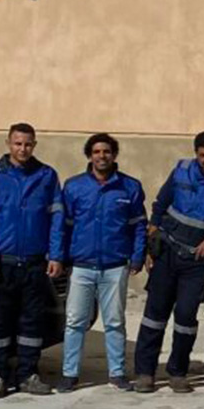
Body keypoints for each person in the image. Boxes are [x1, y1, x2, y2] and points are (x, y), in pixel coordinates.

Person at [134, 131, 204, 394]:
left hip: (199, 260)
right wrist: (151, 248)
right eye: (203, 155)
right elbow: (159, 207)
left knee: (186, 318)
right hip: (167, 253)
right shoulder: (181, 170)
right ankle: (145, 373)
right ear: (196, 154)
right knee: (154, 316)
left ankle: (177, 373)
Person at [53, 133, 147, 392]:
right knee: (75, 322)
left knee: (114, 322)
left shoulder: (129, 187)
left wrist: (137, 256)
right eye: (96, 152)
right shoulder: (74, 187)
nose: (102, 156)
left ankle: (117, 373)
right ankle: (70, 373)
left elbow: (139, 226)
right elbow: (62, 226)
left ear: (114, 155)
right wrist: (59, 257)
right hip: (81, 266)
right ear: (89, 155)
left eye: (106, 151)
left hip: (115, 266)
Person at [0, 123, 63, 398]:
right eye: (17, 143)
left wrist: (56, 255)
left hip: (35, 262)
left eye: (27, 144)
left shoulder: (46, 176)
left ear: (34, 145)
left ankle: (28, 375)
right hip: (2, 262)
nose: (22, 149)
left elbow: (57, 219)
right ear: (8, 143)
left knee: (32, 322)